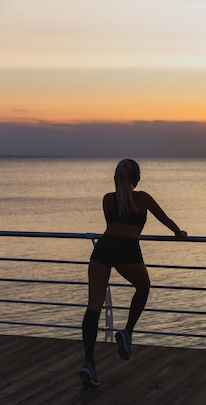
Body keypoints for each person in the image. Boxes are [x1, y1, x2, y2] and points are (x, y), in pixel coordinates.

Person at [79, 159, 187, 388]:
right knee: (143, 287)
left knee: (93, 307)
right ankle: (127, 332)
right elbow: (164, 219)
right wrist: (179, 232)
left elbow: (116, 221)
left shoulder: (108, 199)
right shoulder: (143, 198)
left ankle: (89, 362)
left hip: (103, 248)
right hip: (126, 249)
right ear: (136, 178)